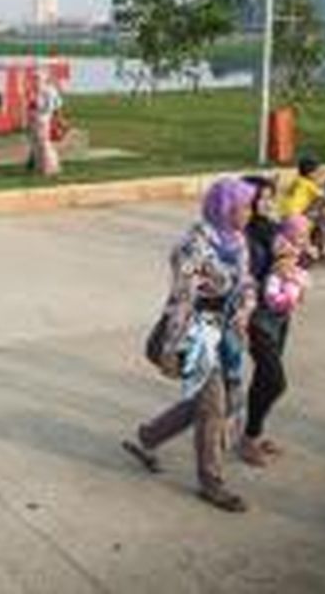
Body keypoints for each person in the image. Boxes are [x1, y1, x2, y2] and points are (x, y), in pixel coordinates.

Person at [123, 178, 258, 513]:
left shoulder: (237, 241)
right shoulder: (193, 247)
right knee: (213, 404)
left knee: (204, 403)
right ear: (225, 209)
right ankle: (211, 483)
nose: (250, 213)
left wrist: (243, 316)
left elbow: (245, 284)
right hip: (190, 334)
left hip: (220, 332)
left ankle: (148, 437)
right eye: (244, 206)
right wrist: (170, 349)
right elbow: (182, 299)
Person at [240, 214, 311, 467]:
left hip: (280, 320)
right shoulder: (253, 238)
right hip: (257, 320)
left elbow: (300, 273)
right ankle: (248, 437)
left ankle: (253, 435)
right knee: (274, 381)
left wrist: (297, 280)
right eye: (262, 198)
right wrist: (275, 268)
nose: (266, 204)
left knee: (263, 378)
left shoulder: (278, 233)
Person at [25, 65, 63, 175]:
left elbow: (42, 106)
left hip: (42, 118)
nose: (35, 81)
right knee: (39, 143)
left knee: (43, 144)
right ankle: (42, 166)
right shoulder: (45, 90)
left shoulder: (45, 91)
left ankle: (49, 167)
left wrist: (33, 104)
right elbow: (56, 106)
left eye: (36, 78)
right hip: (41, 117)